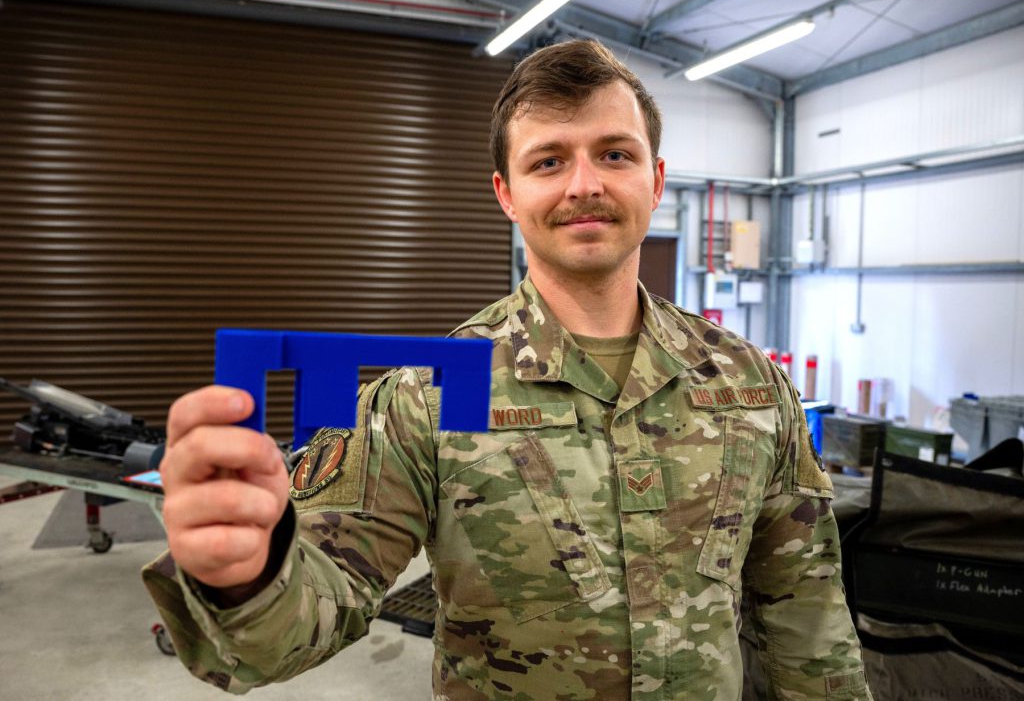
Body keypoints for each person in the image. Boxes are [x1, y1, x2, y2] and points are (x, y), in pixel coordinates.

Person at [144, 39, 871, 700]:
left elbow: (805, 616)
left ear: (656, 180)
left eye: (614, 154)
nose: (583, 184)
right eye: (548, 161)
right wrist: (247, 573)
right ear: (506, 195)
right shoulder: (421, 400)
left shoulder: (749, 386)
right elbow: (299, 625)